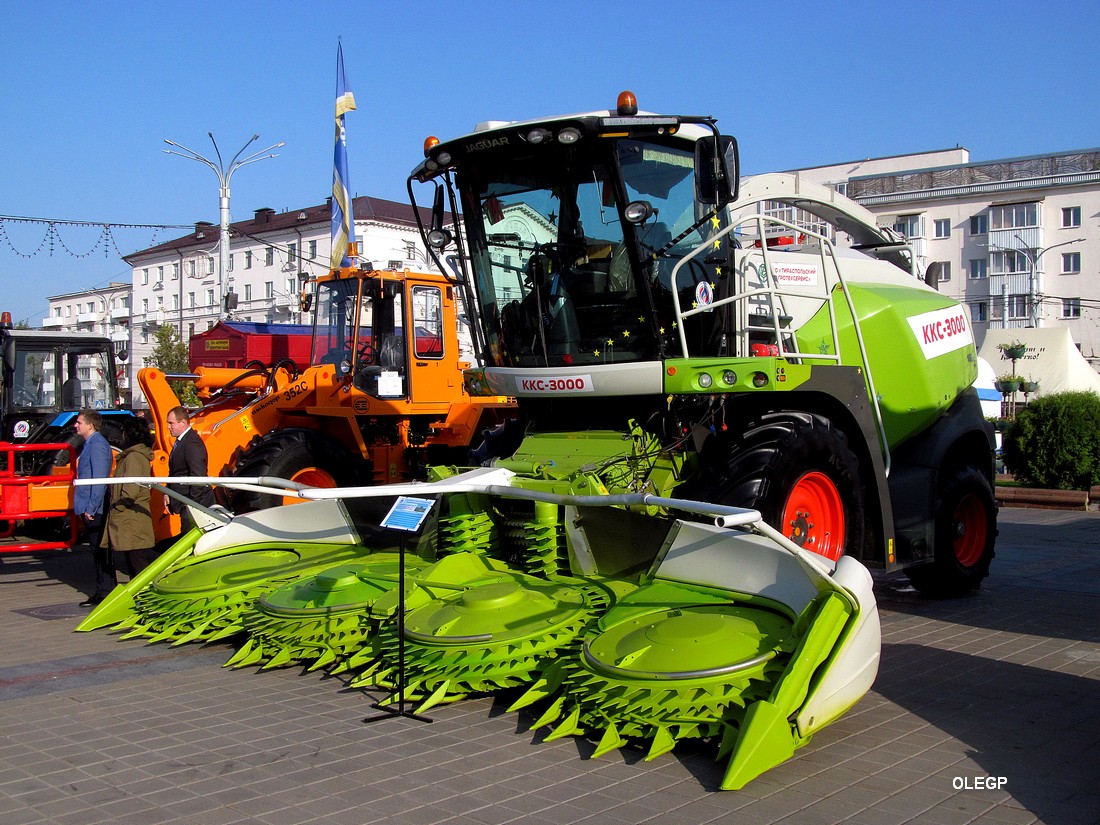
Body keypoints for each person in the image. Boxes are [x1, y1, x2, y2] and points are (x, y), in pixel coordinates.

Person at [103, 416, 156, 579]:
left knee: (138, 566)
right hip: (132, 519)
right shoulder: (135, 456)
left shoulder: (133, 457)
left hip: (131, 519)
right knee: (136, 564)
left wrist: (118, 507)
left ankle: (145, 601)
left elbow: (130, 491)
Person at [73, 409, 113, 607]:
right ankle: (102, 589)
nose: (76, 425)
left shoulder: (97, 445)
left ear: (90, 425)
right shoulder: (89, 444)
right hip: (88, 505)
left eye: (79, 422)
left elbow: (99, 479)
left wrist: (92, 506)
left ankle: (106, 590)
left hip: (94, 506)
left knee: (100, 548)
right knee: (96, 549)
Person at [165, 406, 215, 534]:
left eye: (171, 423)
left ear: (183, 423)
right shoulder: (182, 442)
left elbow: (198, 476)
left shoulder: (192, 443)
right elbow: (176, 472)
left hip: (194, 505)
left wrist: (192, 505)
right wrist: (167, 491)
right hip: (186, 503)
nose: (168, 427)